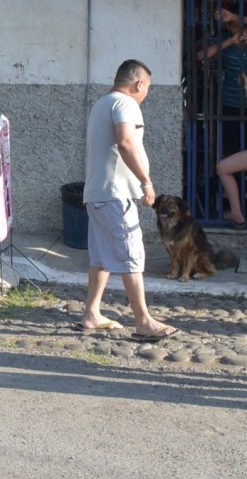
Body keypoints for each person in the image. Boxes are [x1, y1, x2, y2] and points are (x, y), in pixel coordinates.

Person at [81, 59, 179, 341]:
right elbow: (125, 142)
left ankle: (92, 313)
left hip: (98, 194)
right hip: (115, 194)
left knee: (101, 257)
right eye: (147, 88)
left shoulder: (102, 103)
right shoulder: (125, 104)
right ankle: (144, 321)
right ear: (140, 84)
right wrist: (146, 181)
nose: (146, 94)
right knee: (132, 255)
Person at [197, 0, 247, 156]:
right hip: (230, 103)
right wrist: (230, 41)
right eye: (234, 25)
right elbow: (200, 55)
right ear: (227, 26)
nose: (238, 29)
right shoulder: (224, 39)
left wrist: (233, 16)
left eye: (241, 25)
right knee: (232, 150)